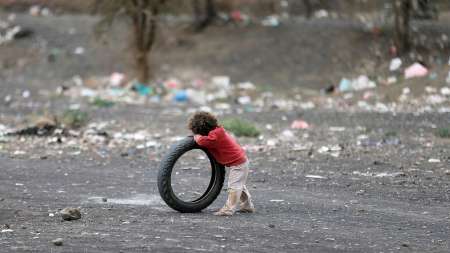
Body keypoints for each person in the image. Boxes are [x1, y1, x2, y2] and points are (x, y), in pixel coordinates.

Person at [188, 111, 255, 216]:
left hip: (239, 163)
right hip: (239, 161)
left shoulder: (216, 135)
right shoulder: (217, 131)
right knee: (239, 185)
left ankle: (228, 209)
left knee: (234, 186)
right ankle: (247, 206)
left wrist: (197, 137)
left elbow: (204, 142)